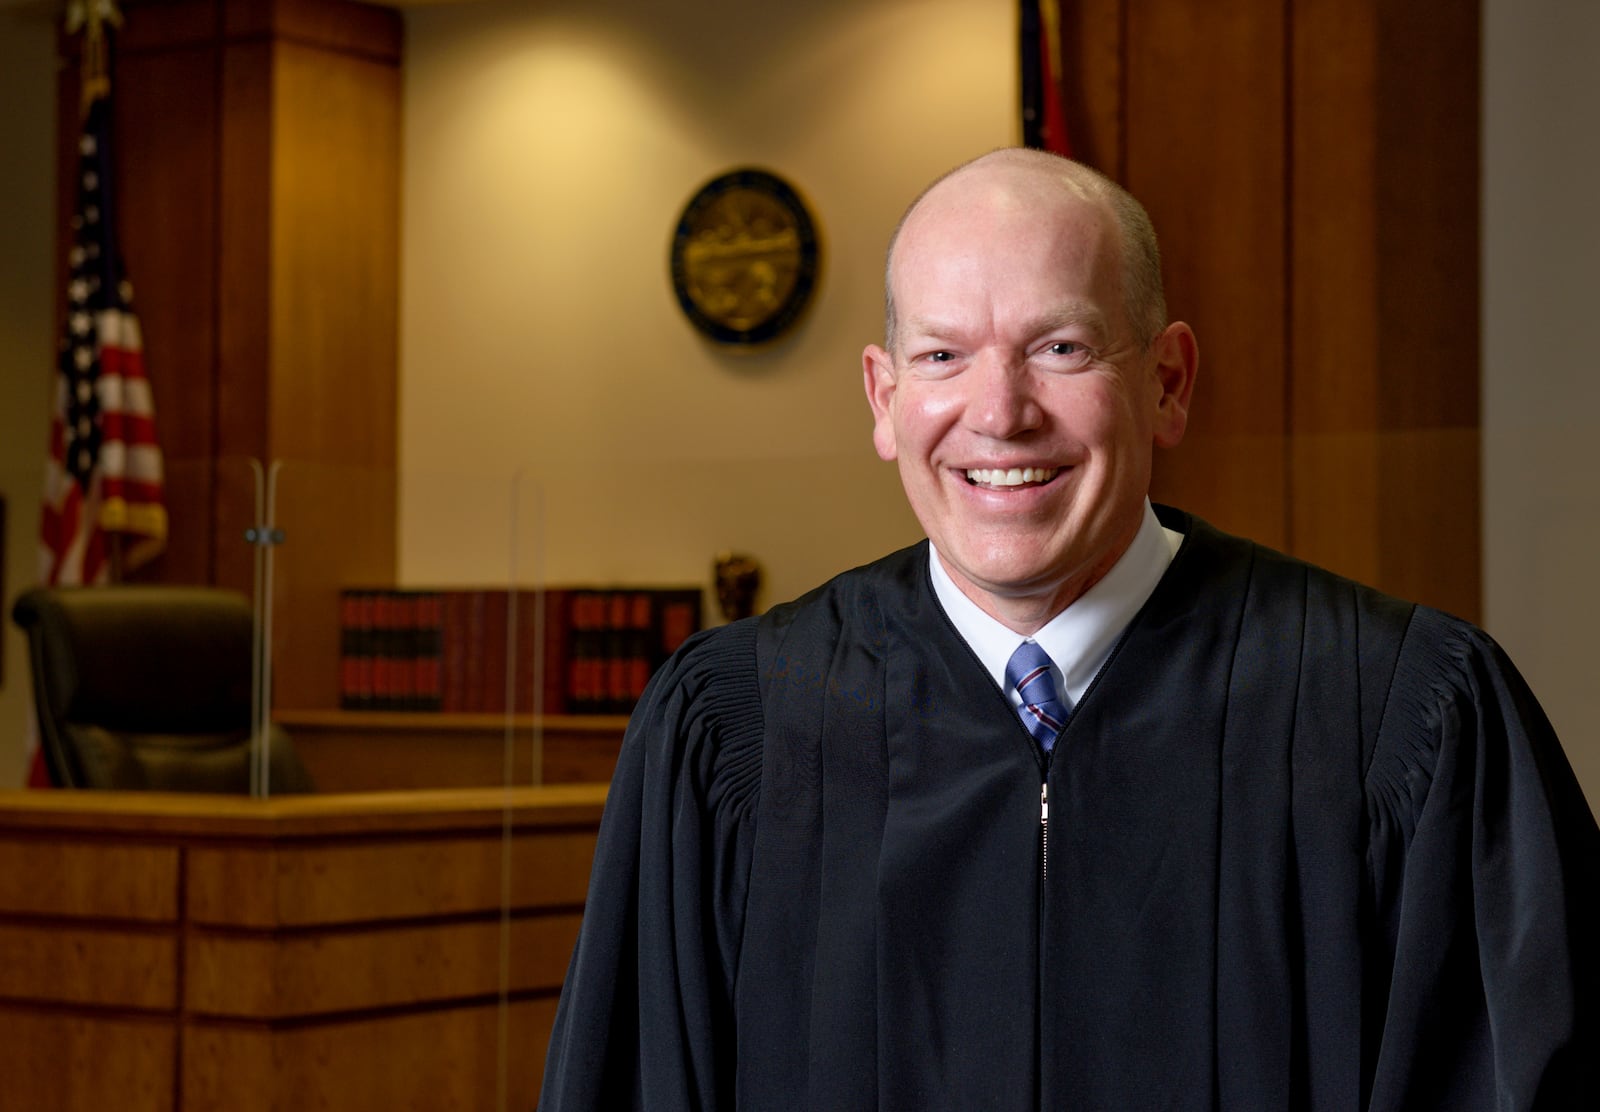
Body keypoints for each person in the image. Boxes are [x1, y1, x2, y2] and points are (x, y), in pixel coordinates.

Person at [538, 149, 1598, 1110]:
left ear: (1167, 382)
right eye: (945, 355)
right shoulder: (738, 734)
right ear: (883, 393)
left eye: (1059, 345)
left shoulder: (1396, 717)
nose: (999, 413)